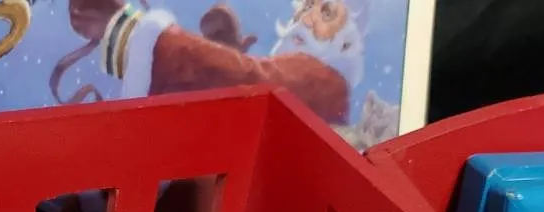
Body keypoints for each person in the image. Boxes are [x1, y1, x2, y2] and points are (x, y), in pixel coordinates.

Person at [67, 0, 365, 125]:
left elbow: (252, 82)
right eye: (308, 5)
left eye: (326, 13)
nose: (307, 18)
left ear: (349, 38)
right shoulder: (306, 71)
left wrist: (140, 35)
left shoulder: (324, 82)